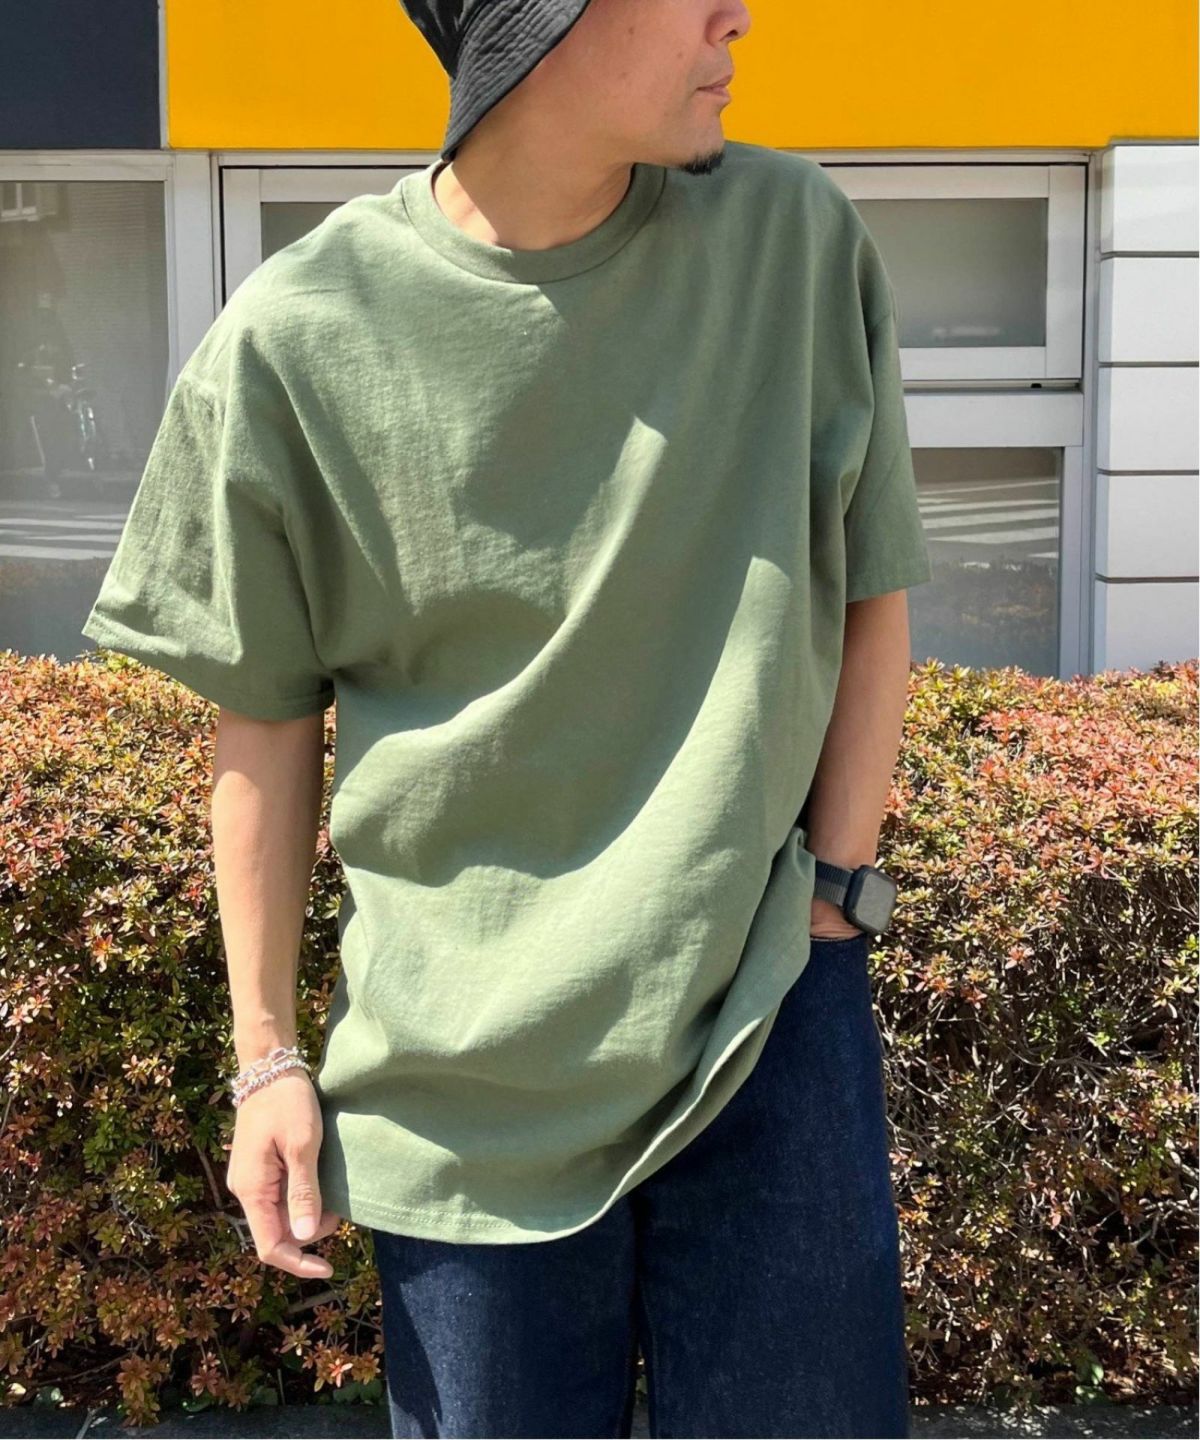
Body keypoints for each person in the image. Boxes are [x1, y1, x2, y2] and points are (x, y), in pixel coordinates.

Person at [81, 1, 934, 1434]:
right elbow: (264, 719)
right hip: (458, 1085)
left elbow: (868, 590)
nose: (737, 16)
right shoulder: (298, 336)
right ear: (534, 24)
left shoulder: (793, 243)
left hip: (766, 1021)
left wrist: (838, 895)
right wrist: (267, 1059)